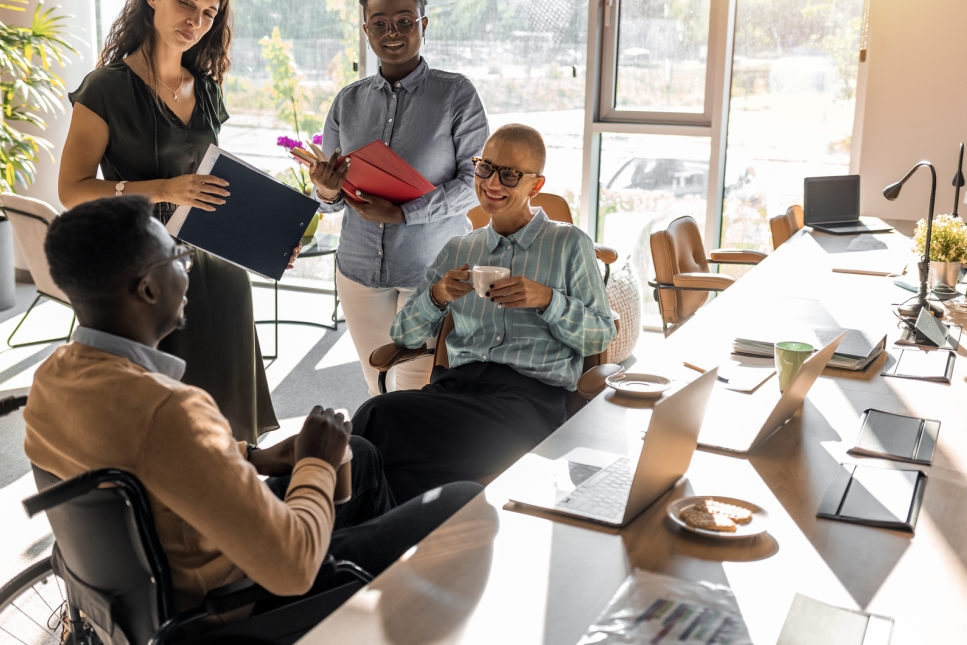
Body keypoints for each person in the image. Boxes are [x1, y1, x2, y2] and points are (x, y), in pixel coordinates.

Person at [24, 195, 481, 610]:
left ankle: (374, 591)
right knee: (464, 498)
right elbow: (292, 568)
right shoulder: (169, 409)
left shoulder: (53, 376)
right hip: (235, 600)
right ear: (146, 289)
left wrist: (253, 456)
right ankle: (364, 594)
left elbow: (142, 455)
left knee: (358, 453)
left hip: (157, 564)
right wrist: (315, 465)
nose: (188, 269)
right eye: (179, 258)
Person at [58, 0, 290, 442]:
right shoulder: (105, 88)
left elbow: (213, 188)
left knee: (225, 431)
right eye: (187, 4)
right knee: (150, 425)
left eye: (208, 13)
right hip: (141, 277)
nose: (196, 22)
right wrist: (163, 189)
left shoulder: (204, 89)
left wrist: (267, 237)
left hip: (216, 275)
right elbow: (73, 190)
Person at [351, 125, 616, 503]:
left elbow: (601, 335)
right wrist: (437, 295)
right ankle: (352, 533)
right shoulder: (459, 249)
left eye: (509, 174)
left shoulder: (569, 244)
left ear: (535, 186)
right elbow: (404, 335)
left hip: (526, 403)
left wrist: (548, 300)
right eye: (485, 168)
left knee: (401, 459)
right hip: (453, 390)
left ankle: (361, 534)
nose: (492, 182)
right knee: (377, 415)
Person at [307, 0, 489, 396]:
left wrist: (404, 213)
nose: (393, 31)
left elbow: (477, 183)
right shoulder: (347, 101)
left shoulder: (457, 95)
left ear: (424, 24)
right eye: (380, 22)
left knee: (415, 391)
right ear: (366, 29)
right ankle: (383, 459)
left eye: (405, 21)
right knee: (378, 386)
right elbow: (331, 200)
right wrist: (325, 188)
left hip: (432, 270)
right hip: (358, 270)